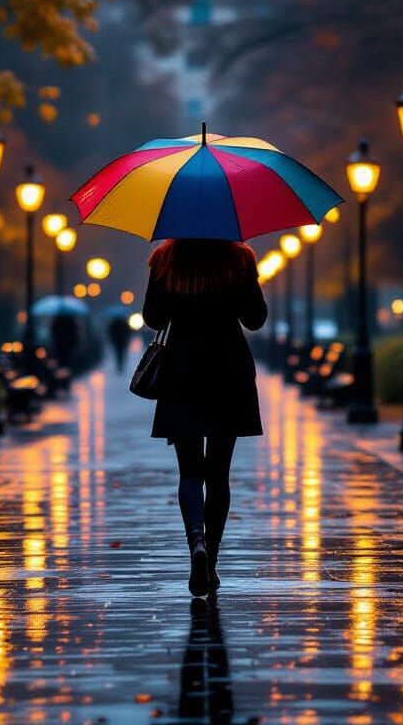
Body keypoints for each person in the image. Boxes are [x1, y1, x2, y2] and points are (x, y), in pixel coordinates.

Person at [141, 238, 267, 598]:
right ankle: (210, 559)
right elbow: (255, 319)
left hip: (181, 371)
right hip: (228, 372)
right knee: (219, 474)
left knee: (190, 470)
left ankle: (195, 543)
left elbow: (153, 317)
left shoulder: (165, 259)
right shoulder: (239, 258)